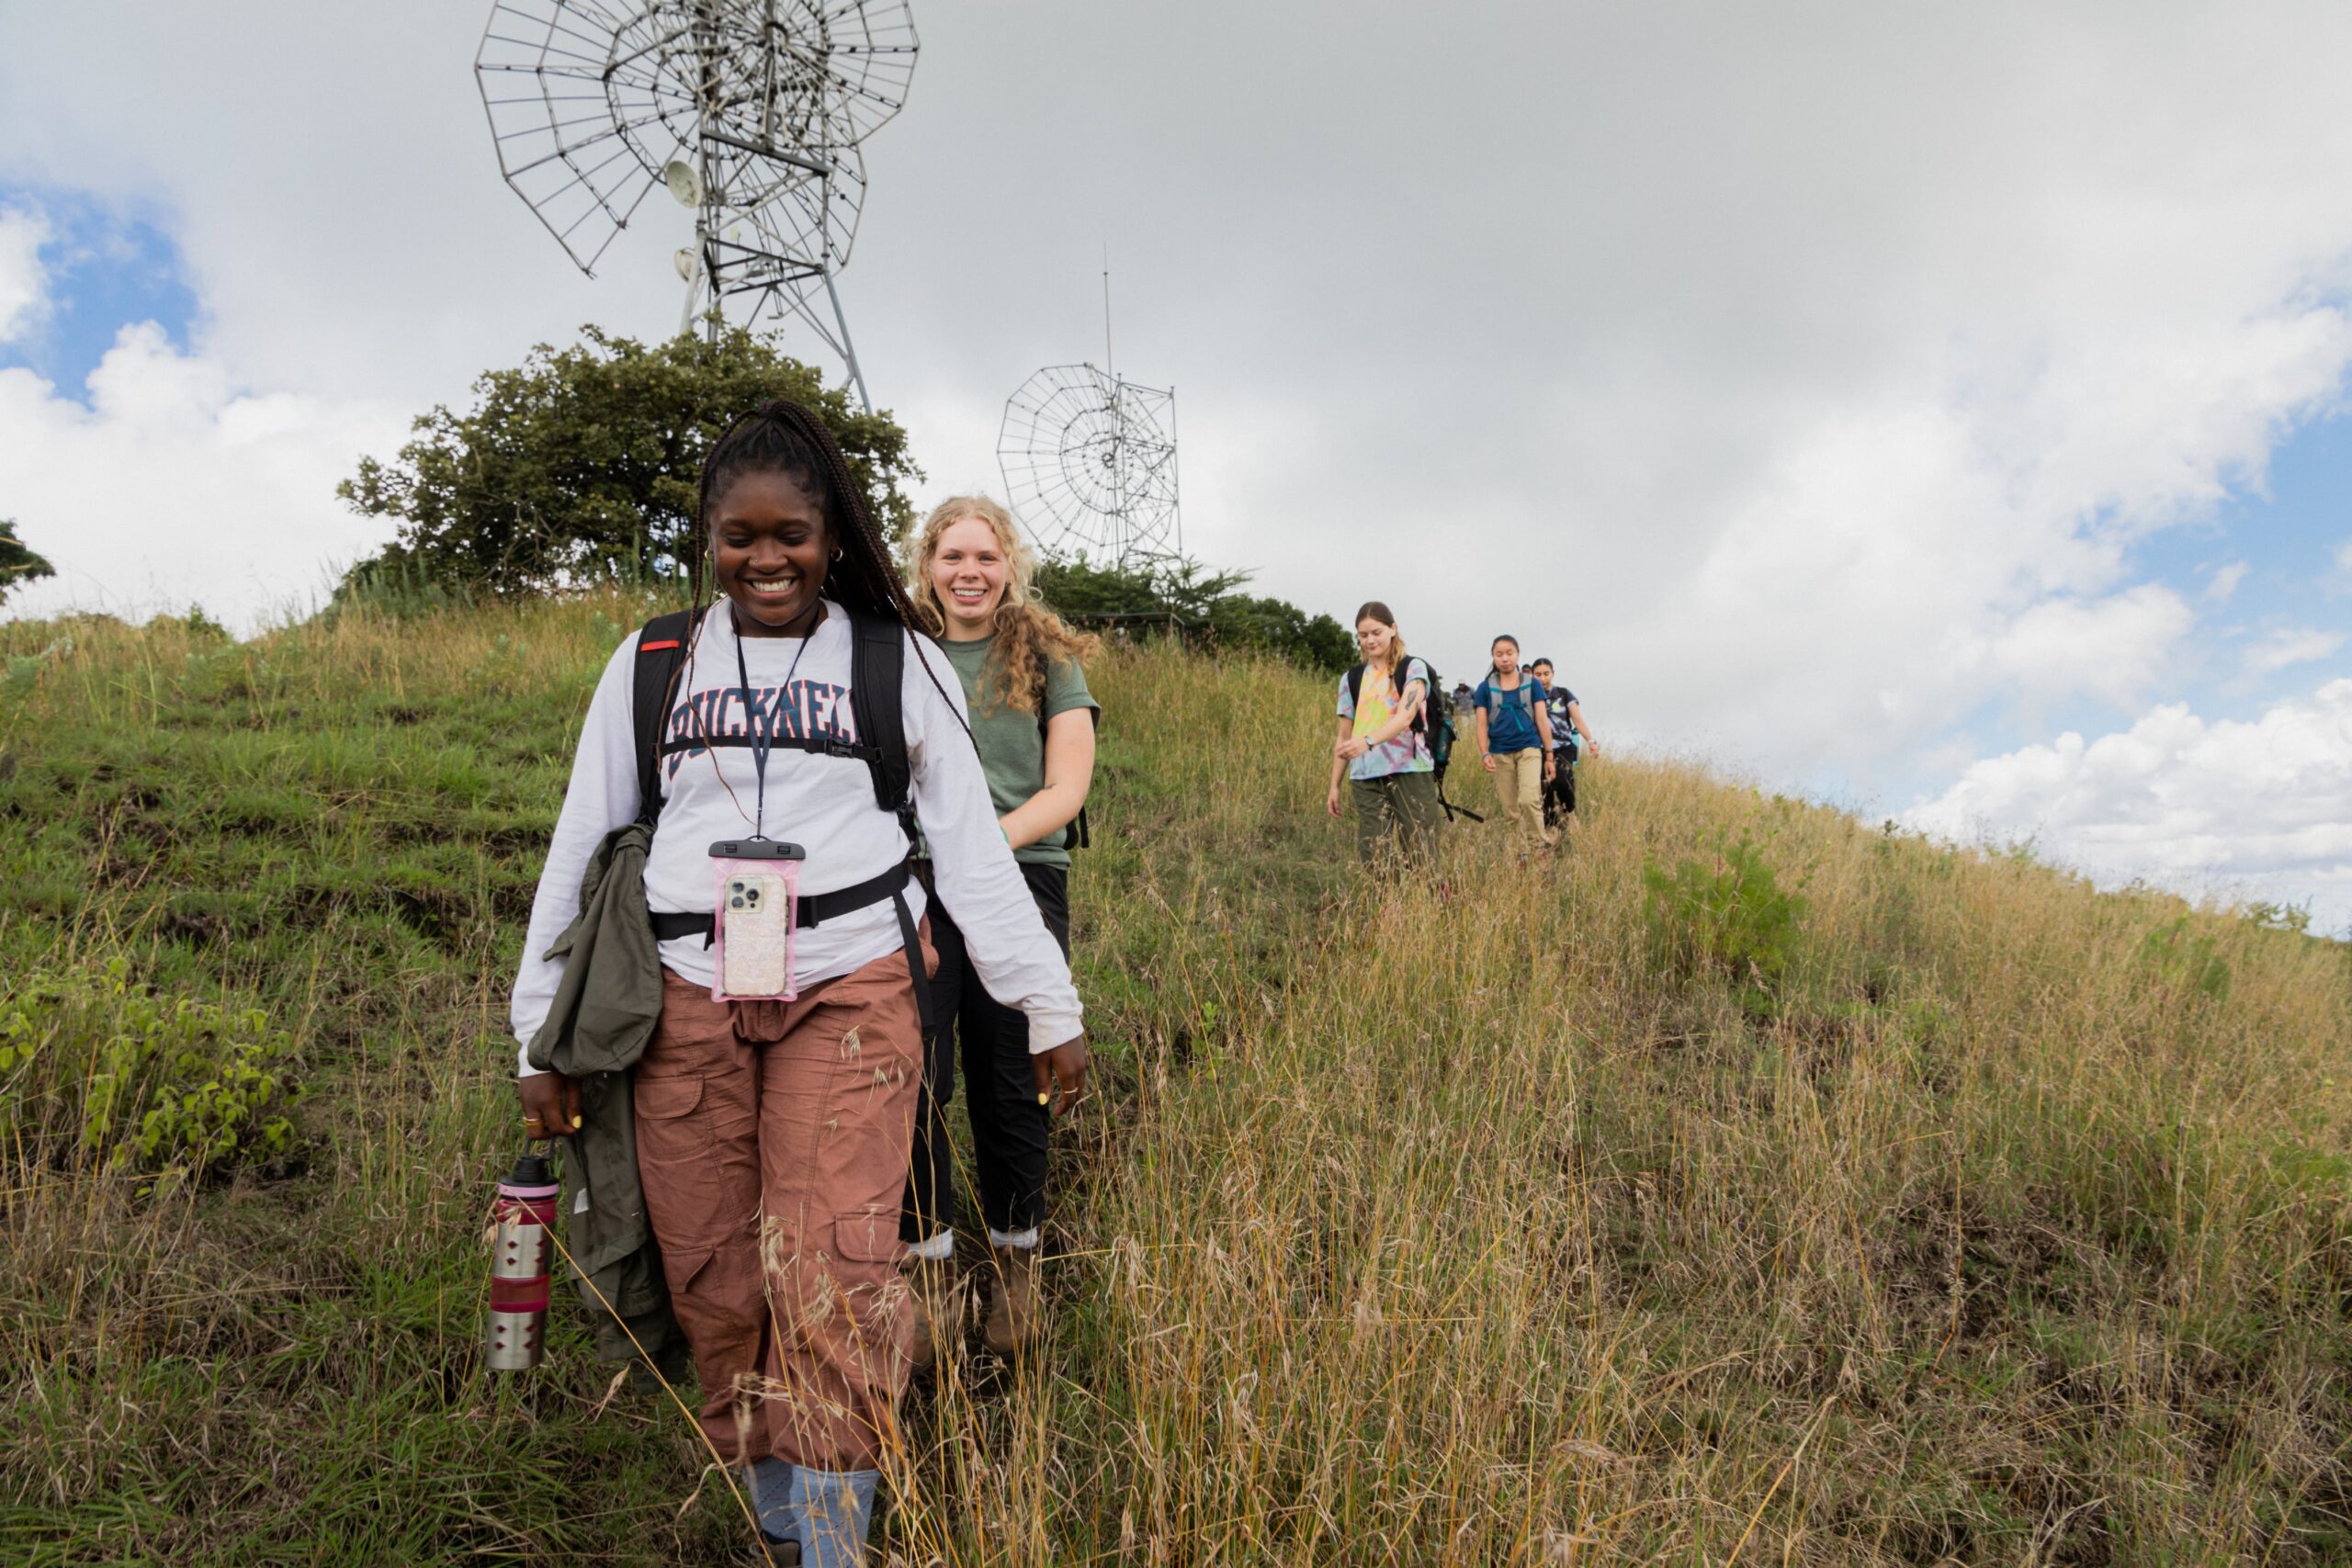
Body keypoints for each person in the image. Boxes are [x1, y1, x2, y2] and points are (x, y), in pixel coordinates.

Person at [511, 402, 1088, 1565]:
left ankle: (832, 1540)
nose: (766, 560)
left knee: (833, 1267)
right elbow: (580, 846)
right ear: (709, 538)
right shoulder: (652, 663)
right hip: (683, 995)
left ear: (835, 539)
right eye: (740, 537)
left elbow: (970, 854)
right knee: (714, 1274)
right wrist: (538, 1036)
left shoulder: (894, 658)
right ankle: (777, 1515)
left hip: (852, 986)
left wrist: (1047, 1005)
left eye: (793, 537)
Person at [897, 495, 1101, 1364]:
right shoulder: (899, 650)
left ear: (1009, 565)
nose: (969, 572)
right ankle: (929, 1269)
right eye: (953, 556)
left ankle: (1018, 1263)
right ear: (927, 565)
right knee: (913, 1073)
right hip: (915, 886)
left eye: (986, 556)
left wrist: (975, 846)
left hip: (1020, 874)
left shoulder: (1047, 656)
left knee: (1012, 1075)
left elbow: (1066, 788)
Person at [1326, 601, 1442, 871]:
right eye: (1363, 635)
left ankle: (1432, 895)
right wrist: (1334, 785)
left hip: (1410, 769)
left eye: (1376, 632)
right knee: (1374, 852)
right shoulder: (1351, 679)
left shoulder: (1412, 669)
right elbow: (1344, 737)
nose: (1370, 640)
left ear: (1392, 629)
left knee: (1421, 849)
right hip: (1365, 775)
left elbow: (1405, 717)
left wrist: (1367, 742)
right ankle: (1389, 898)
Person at [1472, 634, 1555, 853]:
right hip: (1500, 752)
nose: (1505, 658)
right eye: (1499, 654)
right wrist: (1484, 753)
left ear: (1518, 655)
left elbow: (1542, 720)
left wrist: (1549, 755)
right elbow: (1481, 724)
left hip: (1529, 748)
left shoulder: (1532, 684)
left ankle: (1539, 848)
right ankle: (1520, 854)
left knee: (1528, 799)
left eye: (1510, 653)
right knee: (1510, 808)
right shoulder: (1484, 688)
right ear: (1493, 657)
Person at [1528, 658, 1599, 832]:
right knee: (1543, 787)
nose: (1543, 678)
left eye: (1546, 674)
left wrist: (1591, 741)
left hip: (1563, 747)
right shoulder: (1529, 697)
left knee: (1560, 779)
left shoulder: (1564, 694)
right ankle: (1551, 827)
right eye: (1538, 675)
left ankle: (1570, 812)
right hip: (1538, 748)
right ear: (1532, 676)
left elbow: (1577, 719)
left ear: (1553, 673)